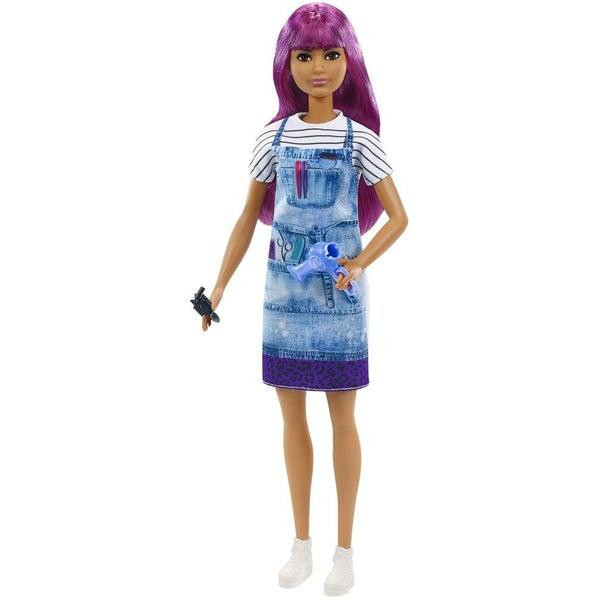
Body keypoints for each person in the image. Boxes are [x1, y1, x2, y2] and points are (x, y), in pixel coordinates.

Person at [201, 3, 408, 595]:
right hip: (283, 296)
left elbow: (399, 217)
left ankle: (345, 551)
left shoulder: (360, 140)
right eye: (305, 55)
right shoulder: (274, 139)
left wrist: (359, 262)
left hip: (339, 299)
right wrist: (219, 285)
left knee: (343, 419)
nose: (319, 67)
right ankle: (301, 543)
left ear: (349, 61)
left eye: (331, 54)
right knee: (291, 419)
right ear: (287, 64)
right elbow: (247, 218)